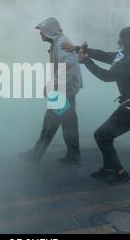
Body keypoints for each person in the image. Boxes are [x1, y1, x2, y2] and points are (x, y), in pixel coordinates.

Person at [61, 27, 130, 185]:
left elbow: (107, 76)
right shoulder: (127, 55)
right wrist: (78, 48)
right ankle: (108, 169)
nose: (119, 42)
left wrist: (86, 61)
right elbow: (103, 55)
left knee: (102, 135)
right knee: (105, 136)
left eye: (121, 39)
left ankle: (121, 173)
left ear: (127, 40)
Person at [20, 17, 83, 165]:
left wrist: (51, 86)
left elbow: (66, 68)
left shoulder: (61, 44)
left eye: (41, 31)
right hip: (66, 89)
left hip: (63, 90)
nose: (40, 34)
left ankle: (36, 154)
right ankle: (74, 156)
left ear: (49, 32)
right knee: (69, 125)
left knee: (50, 123)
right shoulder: (58, 42)